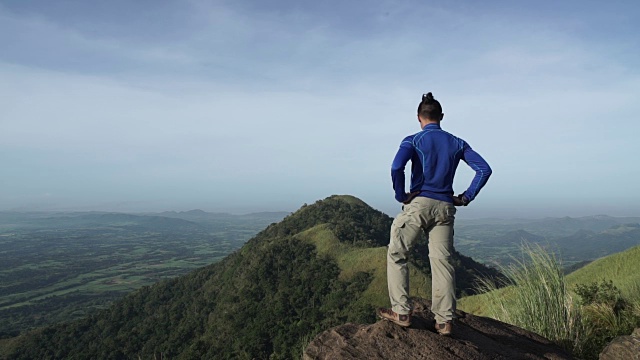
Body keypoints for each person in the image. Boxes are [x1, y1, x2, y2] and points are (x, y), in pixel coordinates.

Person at [376, 92, 492, 336]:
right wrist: (466, 197)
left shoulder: (413, 140)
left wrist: (401, 195)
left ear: (419, 117)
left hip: (418, 204)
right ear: (441, 117)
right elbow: (484, 169)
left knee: (397, 254)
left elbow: (397, 166)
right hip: (445, 207)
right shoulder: (457, 142)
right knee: (443, 263)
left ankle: (402, 312)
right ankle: (444, 322)